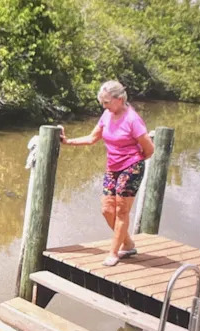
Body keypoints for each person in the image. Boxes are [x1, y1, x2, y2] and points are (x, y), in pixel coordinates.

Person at [60, 80, 155, 266]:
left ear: (119, 99)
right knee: (107, 210)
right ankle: (127, 243)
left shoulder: (132, 119)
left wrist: (133, 162)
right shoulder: (106, 115)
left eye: (106, 102)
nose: (103, 106)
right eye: (102, 102)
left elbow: (149, 149)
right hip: (112, 167)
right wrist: (68, 141)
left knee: (122, 211)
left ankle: (114, 252)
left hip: (131, 167)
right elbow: (92, 138)